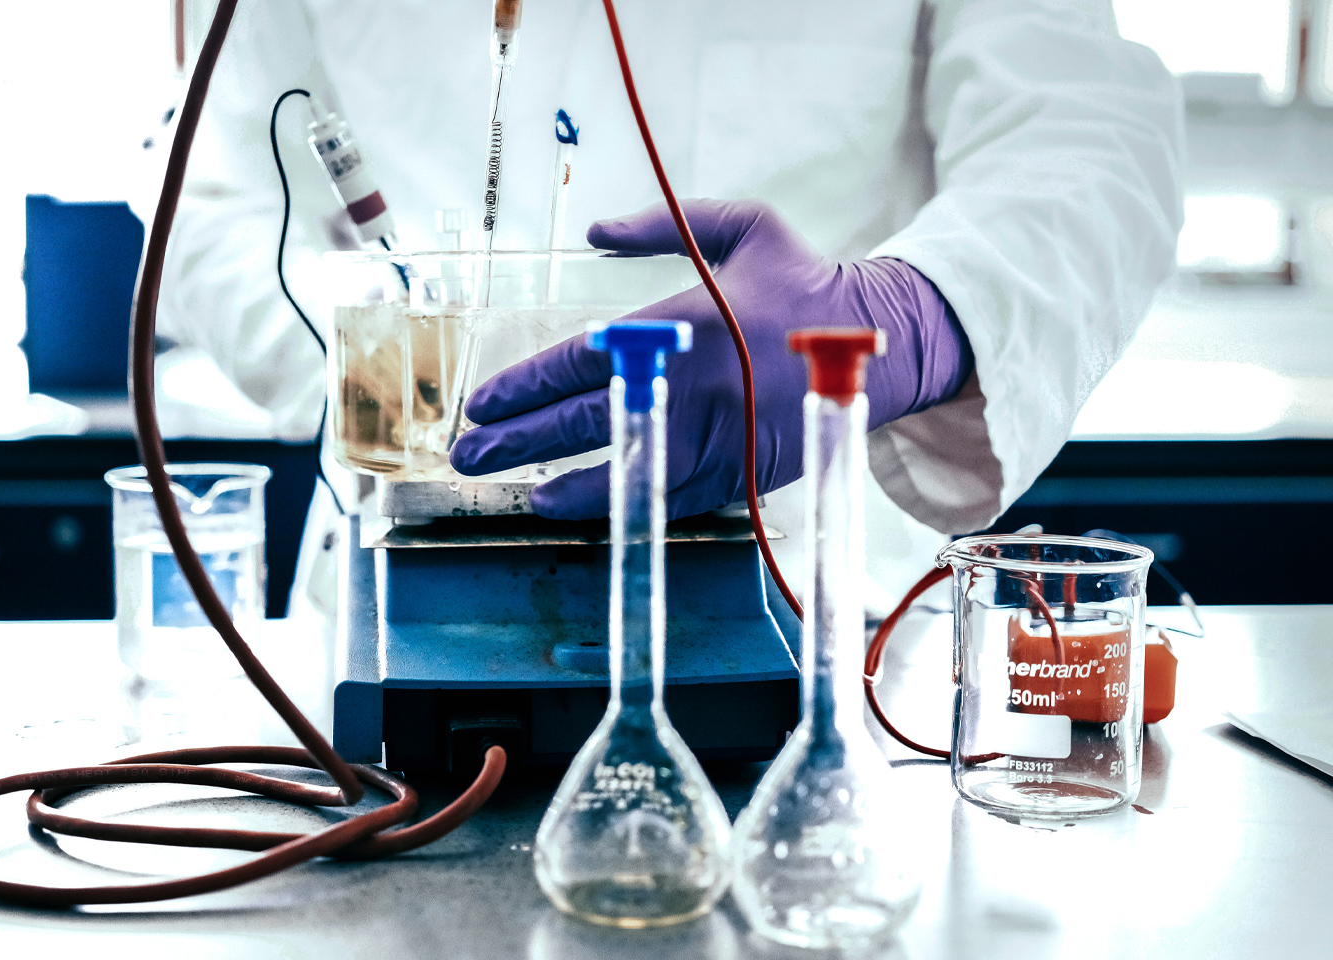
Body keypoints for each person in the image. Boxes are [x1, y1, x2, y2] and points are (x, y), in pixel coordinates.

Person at [153, 0, 1183, 614]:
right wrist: (380, 372)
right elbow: (205, 190)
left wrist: (895, 320)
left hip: (802, 576)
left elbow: (1088, 142)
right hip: (414, 558)